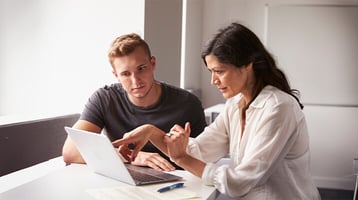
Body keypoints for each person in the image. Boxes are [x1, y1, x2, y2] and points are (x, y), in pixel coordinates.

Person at [112, 23, 321, 199]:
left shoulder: (278, 107)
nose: (213, 81)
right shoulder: (236, 103)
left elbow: (239, 183)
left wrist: (183, 158)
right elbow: (198, 152)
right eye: (211, 72)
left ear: (247, 65)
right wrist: (150, 131)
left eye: (219, 71)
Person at [62, 33, 207, 171]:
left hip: (175, 183)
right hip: (122, 178)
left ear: (153, 63)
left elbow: (205, 161)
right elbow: (70, 151)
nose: (135, 81)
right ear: (116, 75)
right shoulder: (104, 98)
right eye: (125, 74)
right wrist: (131, 157)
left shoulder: (188, 103)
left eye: (141, 69)